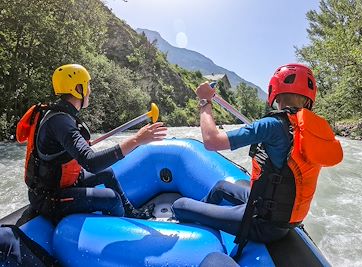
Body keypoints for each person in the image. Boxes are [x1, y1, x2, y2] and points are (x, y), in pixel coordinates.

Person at [172, 63, 343, 254]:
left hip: (263, 224)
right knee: (221, 186)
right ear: (309, 97)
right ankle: (204, 216)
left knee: (180, 205)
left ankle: (193, 218)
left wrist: (205, 102)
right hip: (282, 217)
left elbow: (212, 141)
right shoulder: (314, 131)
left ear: (275, 91)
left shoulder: (273, 125)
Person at [17, 64, 167, 223]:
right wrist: (137, 140)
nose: (90, 90)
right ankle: (121, 231)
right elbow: (91, 163)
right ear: (78, 89)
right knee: (112, 199)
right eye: (87, 85)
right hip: (50, 197)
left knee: (107, 173)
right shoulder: (61, 122)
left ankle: (131, 214)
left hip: (63, 183)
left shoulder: (61, 115)